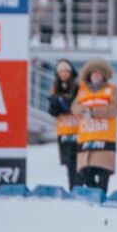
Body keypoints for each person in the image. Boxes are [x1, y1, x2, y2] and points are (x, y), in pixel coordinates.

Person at [72, 59, 117, 193]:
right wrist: (83, 110)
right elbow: (74, 108)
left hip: (104, 138)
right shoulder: (82, 90)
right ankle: (93, 195)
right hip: (86, 139)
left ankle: (101, 197)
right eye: (94, 73)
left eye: (99, 73)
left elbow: (115, 109)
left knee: (104, 172)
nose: (96, 76)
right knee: (86, 172)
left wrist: (95, 111)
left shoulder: (111, 90)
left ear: (104, 75)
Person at [48, 59, 81, 189]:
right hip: (64, 131)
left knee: (80, 163)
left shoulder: (78, 86)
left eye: (66, 71)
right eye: (61, 71)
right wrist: (57, 102)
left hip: (78, 131)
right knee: (69, 164)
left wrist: (62, 101)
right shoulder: (55, 88)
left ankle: (78, 187)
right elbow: (53, 111)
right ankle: (72, 188)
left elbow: (75, 106)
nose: (64, 74)